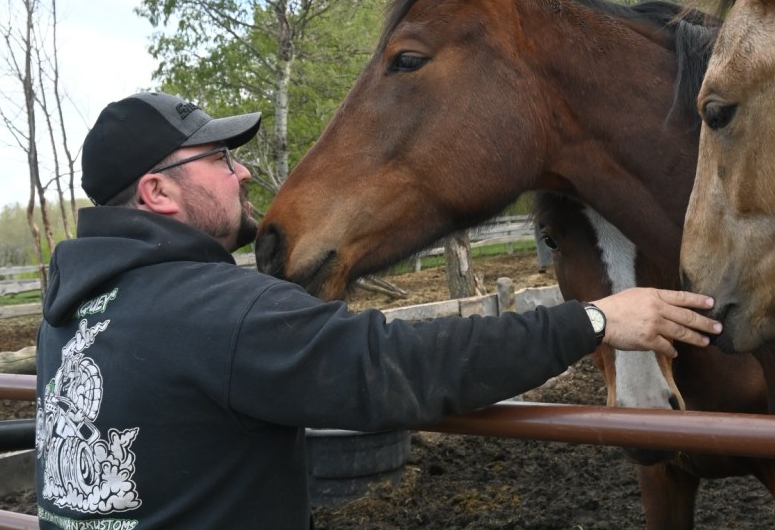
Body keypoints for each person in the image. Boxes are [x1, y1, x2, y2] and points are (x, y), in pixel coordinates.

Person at [35, 91, 722, 529]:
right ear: (158, 192)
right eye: (218, 159)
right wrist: (596, 320)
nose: (242, 172)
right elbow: (401, 366)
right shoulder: (220, 314)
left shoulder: (69, 313)